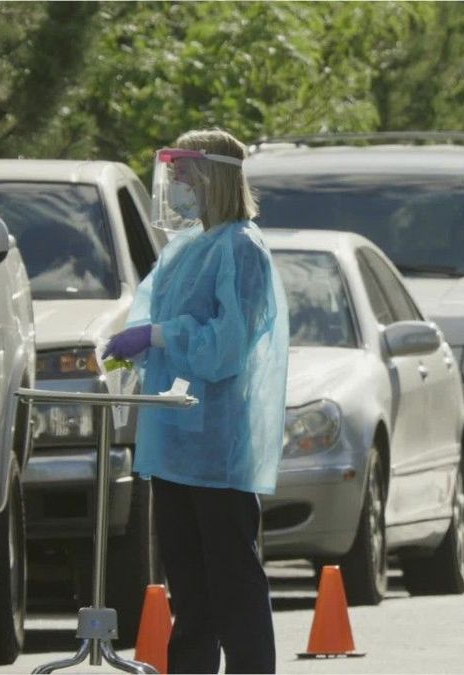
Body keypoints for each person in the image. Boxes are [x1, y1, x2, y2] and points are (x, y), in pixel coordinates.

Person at [103, 128, 289, 674]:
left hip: (219, 445)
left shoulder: (242, 248)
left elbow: (225, 349)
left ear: (212, 175)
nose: (176, 183)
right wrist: (124, 347)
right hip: (176, 438)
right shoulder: (186, 247)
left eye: (183, 171)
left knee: (232, 578)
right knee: (186, 580)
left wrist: (160, 336)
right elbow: (148, 315)